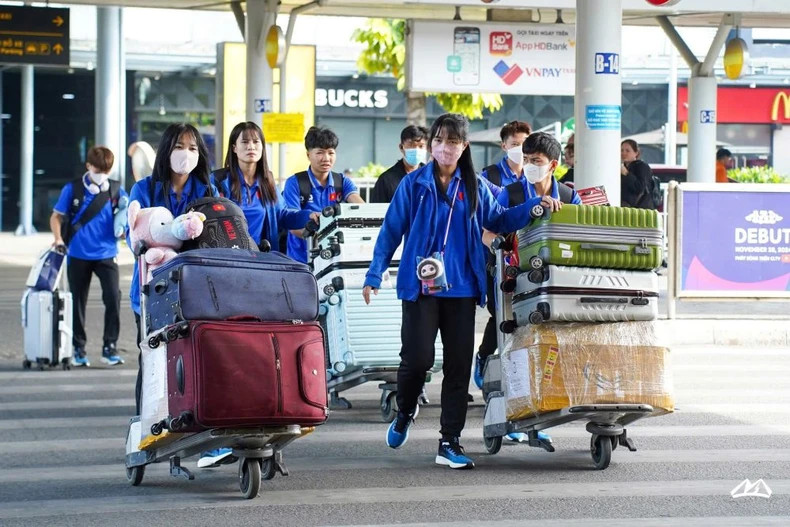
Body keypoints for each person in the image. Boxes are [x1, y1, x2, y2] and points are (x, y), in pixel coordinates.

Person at [362, 113, 562, 470]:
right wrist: (374, 274)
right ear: (431, 145)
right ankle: (405, 411)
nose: (444, 148)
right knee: (418, 360)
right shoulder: (414, 185)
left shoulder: (474, 186)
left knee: (457, 367)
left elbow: (498, 219)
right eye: (438, 141)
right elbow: (391, 231)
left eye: (452, 142)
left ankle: (449, 441)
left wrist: (534, 206)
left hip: (463, 289)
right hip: (421, 287)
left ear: (464, 147)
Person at [127, 124, 227, 470]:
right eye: (180, 146)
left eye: (193, 147)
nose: (187, 153)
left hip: (196, 287)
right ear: (167, 149)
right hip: (152, 286)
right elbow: (134, 234)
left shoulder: (208, 189)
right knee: (153, 363)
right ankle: (145, 429)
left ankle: (202, 429)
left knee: (199, 357)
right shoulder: (145, 188)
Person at [50, 146, 127, 367]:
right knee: (77, 302)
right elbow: (56, 217)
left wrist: (123, 229)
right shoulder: (72, 189)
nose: (101, 174)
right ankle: (78, 349)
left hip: (107, 253)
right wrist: (58, 239)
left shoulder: (115, 189)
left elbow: (128, 213)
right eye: (98, 169)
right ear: (88, 166)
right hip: (78, 253)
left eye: (106, 170)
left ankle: (109, 347)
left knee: (113, 297)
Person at [474, 120, 531, 391]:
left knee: (523, 315)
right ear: (504, 146)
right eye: (515, 145)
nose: (520, 151)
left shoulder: (538, 179)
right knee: (499, 313)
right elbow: (485, 221)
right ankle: (486, 357)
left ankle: (517, 378)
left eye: (525, 145)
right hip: (496, 258)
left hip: (529, 259)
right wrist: (498, 247)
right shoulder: (492, 178)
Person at [214, 121, 316, 249]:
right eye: (245, 142)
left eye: (256, 142)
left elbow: (283, 216)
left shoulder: (268, 181)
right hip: (226, 259)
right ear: (234, 148)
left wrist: (309, 216)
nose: (251, 147)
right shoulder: (219, 181)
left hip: (260, 259)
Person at [282, 126, 365, 263]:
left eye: (331, 153)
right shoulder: (295, 183)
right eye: (320, 153)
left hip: (334, 258)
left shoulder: (342, 182)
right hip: (300, 260)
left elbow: (360, 208)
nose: (326, 158)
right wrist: (322, 235)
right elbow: (293, 225)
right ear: (308, 155)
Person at [371, 125, 430, 203]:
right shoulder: (386, 180)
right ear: (401, 147)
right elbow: (376, 212)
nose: (416, 150)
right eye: (411, 145)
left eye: (421, 146)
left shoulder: (431, 176)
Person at [480, 120, 532, 189]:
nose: (521, 148)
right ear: (504, 146)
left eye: (524, 144)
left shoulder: (534, 175)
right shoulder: (489, 176)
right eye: (515, 144)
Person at [620, 139, 655, 209]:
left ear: (636, 153)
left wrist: (627, 174)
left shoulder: (642, 166)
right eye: (622, 150)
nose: (624, 153)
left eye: (627, 151)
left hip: (640, 209)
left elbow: (640, 187)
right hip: (625, 208)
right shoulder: (623, 167)